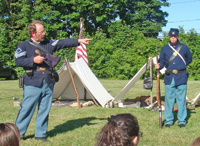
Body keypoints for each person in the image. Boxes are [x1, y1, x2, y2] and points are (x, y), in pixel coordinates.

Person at [15, 20, 93, 142]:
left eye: (44, 31)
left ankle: (40, 134)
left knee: (45, 109)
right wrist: (33, 60)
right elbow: (18, 61)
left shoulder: (48, 43)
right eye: (41, 32)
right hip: (32, 82)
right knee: (26, 109)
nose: (44, 33)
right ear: (33, 33)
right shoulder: (23, 45)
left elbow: (62, 42)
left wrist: (78, 41)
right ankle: (18, 134)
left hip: (48, 81)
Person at [155, 28, 192, 128]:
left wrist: (181, 66)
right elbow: (162, 62)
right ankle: (168, 120)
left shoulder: (184, 47)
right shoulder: (164, 48)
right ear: (169, 37)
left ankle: (182, 120)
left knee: (181, 99)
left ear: (178, 36)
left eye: (175, 35)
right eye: (171, 36)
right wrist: (159, 66)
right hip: (169, 77)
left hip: (181, 76)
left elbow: (189, 59)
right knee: (169, 100)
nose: (173, 37)